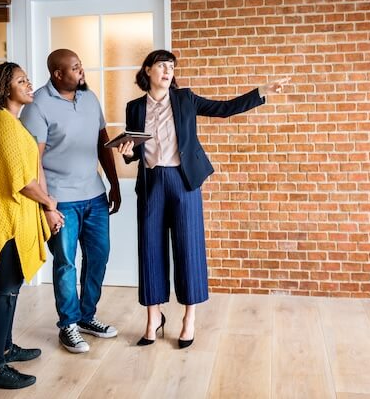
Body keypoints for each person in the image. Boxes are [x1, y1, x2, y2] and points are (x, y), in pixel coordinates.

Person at [117, 49, 288, 348]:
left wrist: (261, 91)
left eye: (171, 66)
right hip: (151, 184)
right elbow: (133, 154)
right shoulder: (134, 108)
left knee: (188, 249)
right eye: (161, 65)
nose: (168, 71)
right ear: (147, 71)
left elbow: (224, 108)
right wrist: (127, 152)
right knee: (150, 249)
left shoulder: (185, 100)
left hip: (184, 183)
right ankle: (153, 318)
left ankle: (189, 319)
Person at [0, 62, 65, 389]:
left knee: (10, 288)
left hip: (17, 217)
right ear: (4, 89)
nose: (29, 84)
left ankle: (6, 348)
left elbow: (31, 172)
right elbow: (21, 181)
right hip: (5, 219)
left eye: (27, 79)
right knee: (5, 290)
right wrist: (50, 204)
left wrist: (46, 207)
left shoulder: (14, 123)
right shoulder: (1, 123)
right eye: (21, 80)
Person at [20, 49, 122, 353]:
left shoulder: (89, 98)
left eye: (81, 67)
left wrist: (114, 184)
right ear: (58, 74)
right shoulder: (37, 105)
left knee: (99, 257)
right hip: (61, 200)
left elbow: (103, 142)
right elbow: (33, 161)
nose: (82, 73)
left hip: (94, 195)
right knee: (65, 262)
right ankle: (68, 324)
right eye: (76, 69)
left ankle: (87, 317)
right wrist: (47, 205)